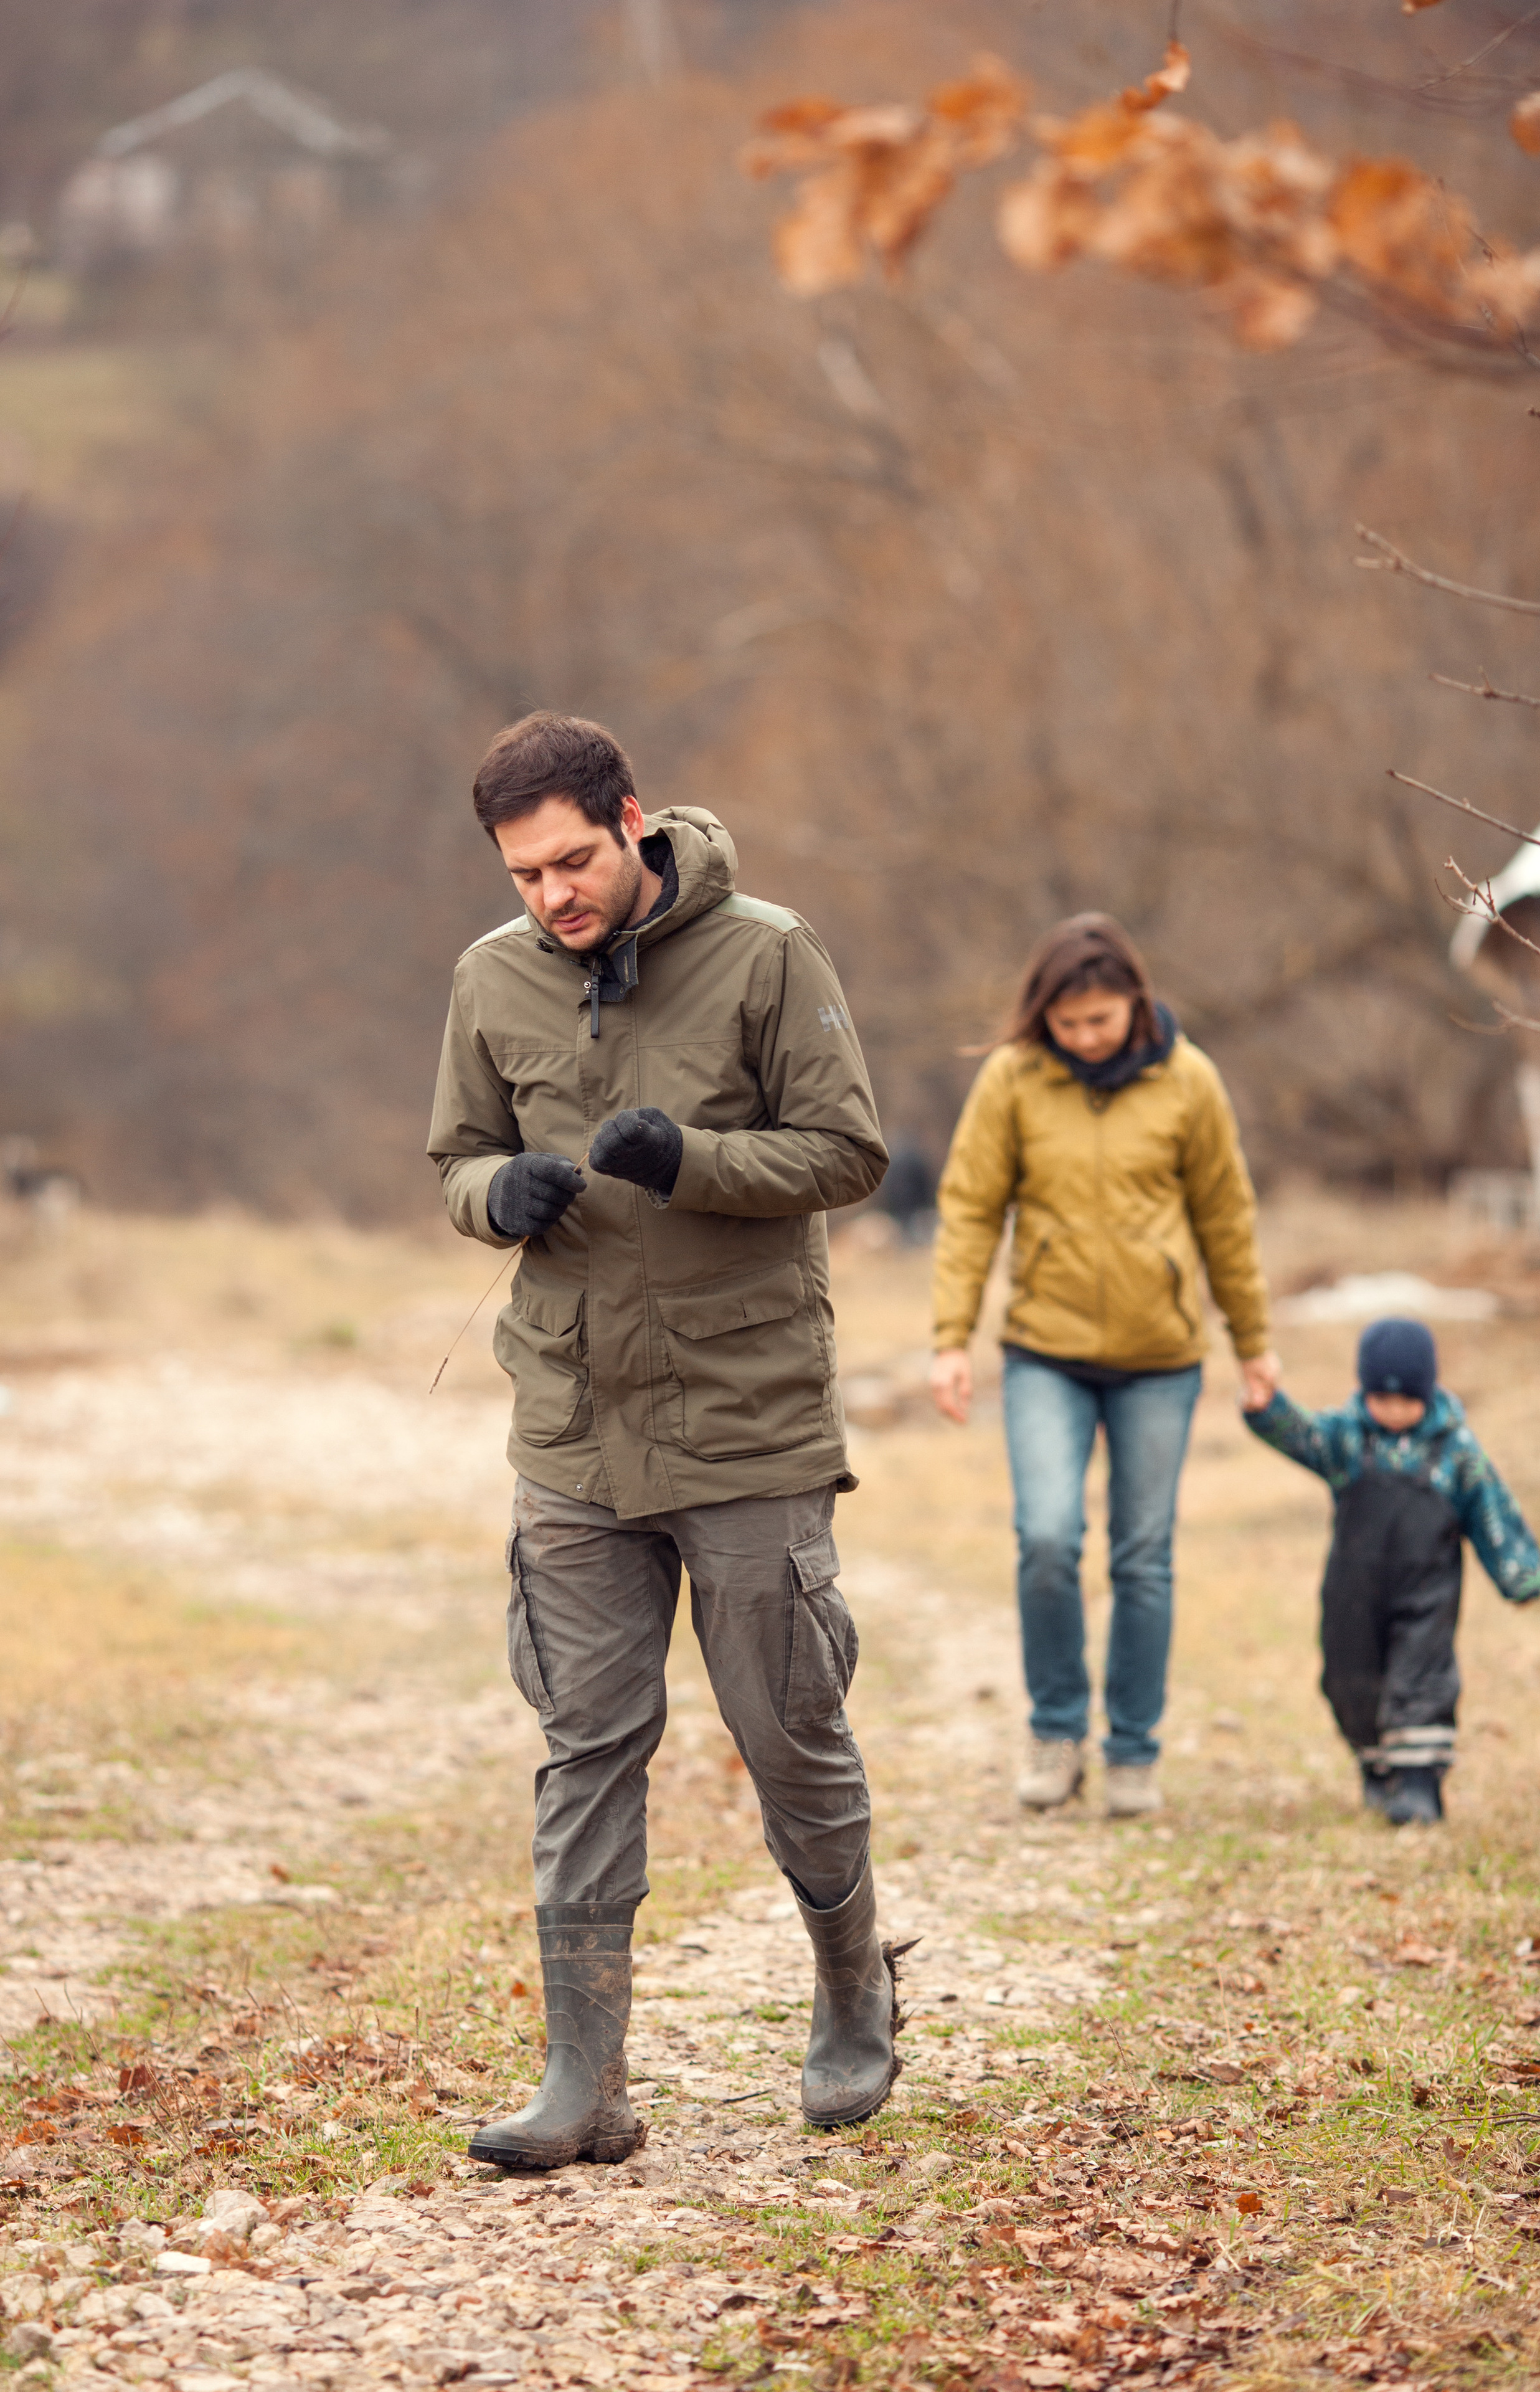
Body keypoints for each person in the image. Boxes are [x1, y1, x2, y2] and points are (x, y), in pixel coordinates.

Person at [427, 711, 898, 2168]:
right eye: (523, 873)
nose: (551, 895)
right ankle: (585, 2081)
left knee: (786, 1732)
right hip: (571, 1430)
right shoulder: (490, 979)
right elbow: (454, 1155)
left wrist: (688, 1163)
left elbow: (847, 1151)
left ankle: (848, 1992)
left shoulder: (767, 952)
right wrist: (495, 1193)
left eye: (571, 859)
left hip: (745, 1422)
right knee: (585, 1746)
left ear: (631, 820)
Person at [930, 913, 1277, 1818]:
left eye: (1102, 1021)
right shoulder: (1013, 1079)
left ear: (1136, 1003)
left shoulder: (1189, 1081)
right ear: (1043, 1013)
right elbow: (970, 1210)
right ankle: (1056, 1730)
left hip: (1161, 1358)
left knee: (1144, 1556)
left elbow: (1226, 1220)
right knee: (1047, 1538)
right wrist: (950, 1340)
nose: (1086, 1038)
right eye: (1069, 1023)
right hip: (1045, 1351)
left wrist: (1253, 1343)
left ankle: (1132, 1749)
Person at [1242, 1316, 1540, 1825]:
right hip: (1353, 1593)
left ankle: (1420, 1784)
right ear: (1365, 1393)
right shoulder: (1346, 1439)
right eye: (1382, 1402)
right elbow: (1303, 1437)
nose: (1394, 1412)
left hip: (1426, 1592)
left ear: (1427, 1393)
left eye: (1407, 1401)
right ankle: (1379, 1771)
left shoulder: (1456, 1450)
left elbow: (1492, 1511)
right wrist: (1265, 1408)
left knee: (1420, 1678)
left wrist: (1519, 1572)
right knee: (1349, 1680)